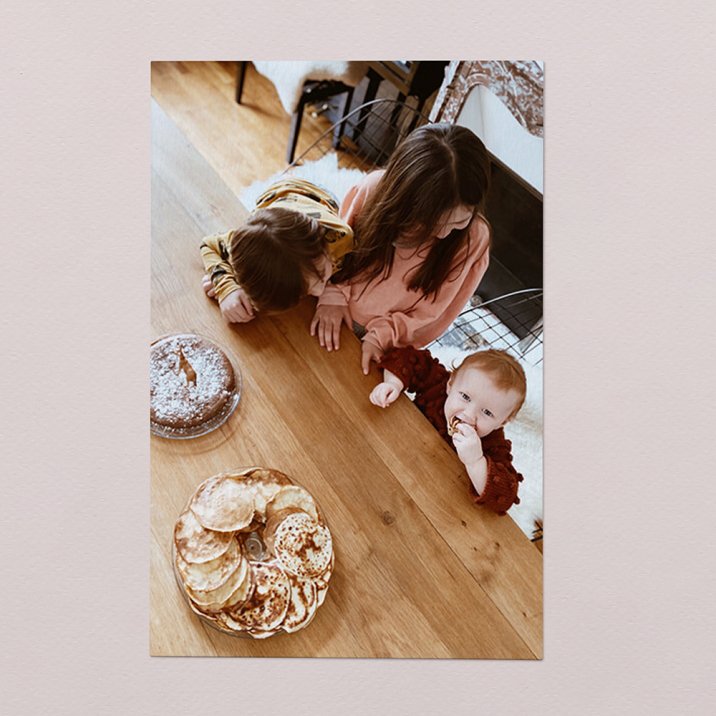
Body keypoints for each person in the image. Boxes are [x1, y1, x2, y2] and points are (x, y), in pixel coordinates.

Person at [310, 123, 492, 374]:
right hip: (329, 305)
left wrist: (381, 337)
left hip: (386, 343)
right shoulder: (373, 189)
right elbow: (336, 250)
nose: (443, 234)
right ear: (404, 200)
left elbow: (434, 312)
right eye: (431, 223)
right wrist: (332, 294)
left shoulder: (474, 239)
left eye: (459, 222)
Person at [370, 346, 526, 514]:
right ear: (450, 385)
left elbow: (505, 497)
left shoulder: (493, 443)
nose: (469, 414)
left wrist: (475, 461)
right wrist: (393, 383)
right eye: (465, 397)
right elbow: (404, 356)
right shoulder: (437, 385)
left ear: (502, 422)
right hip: (384, 449)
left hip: (425, 499)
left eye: (487, 413)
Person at [201, 177, 353, 322]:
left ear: (324, 250)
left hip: (314, 194)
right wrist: (227, 286)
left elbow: (355, 268)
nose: (320, 291)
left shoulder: (341, 237)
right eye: (306, 290)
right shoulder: (244, 243)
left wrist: (332, 293)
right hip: (276, 203)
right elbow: (209, 245)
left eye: (322, 275)